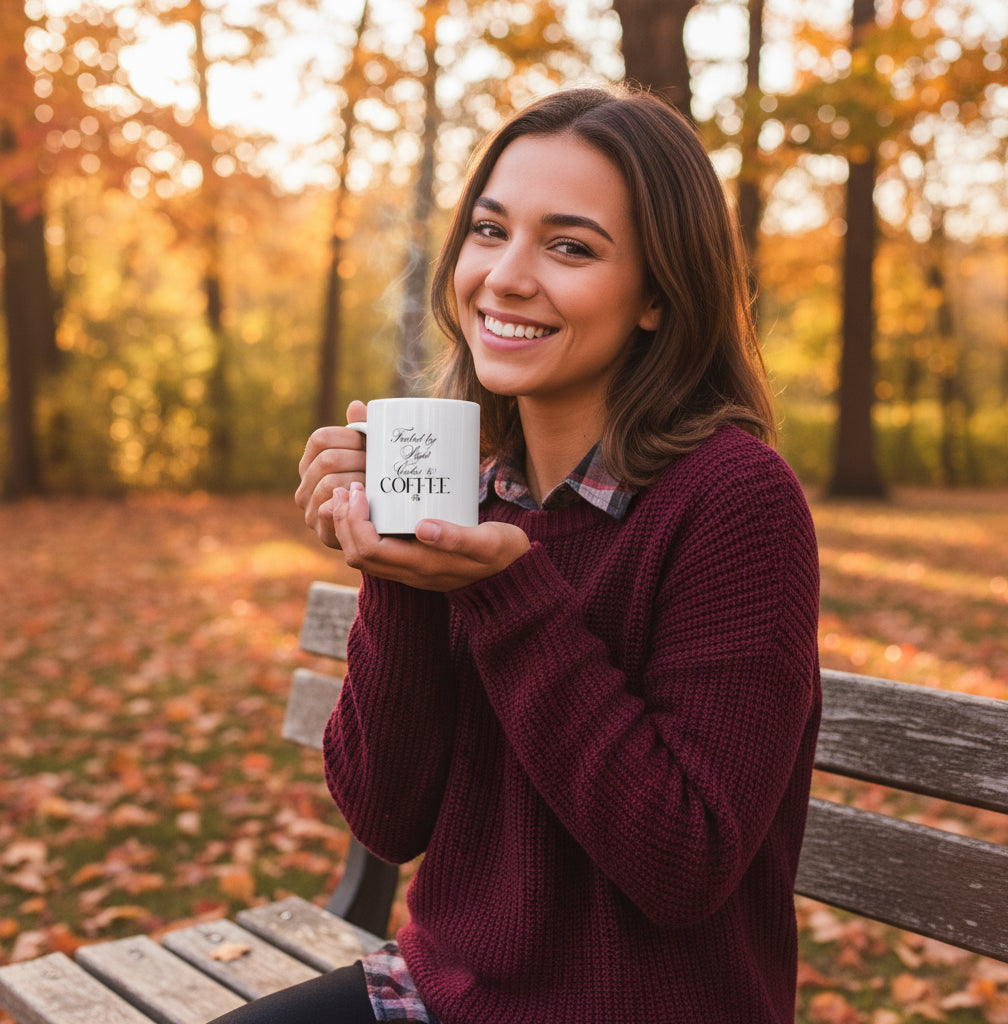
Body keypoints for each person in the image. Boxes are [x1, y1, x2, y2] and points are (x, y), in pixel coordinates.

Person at [218, 83, 821, 1024]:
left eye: (570, 246)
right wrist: (399, 574)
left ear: (660, 293)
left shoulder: (736, 502)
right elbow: (388, 817)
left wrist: (510, 596)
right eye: (490, 231)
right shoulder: (477, 485)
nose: (505, 274)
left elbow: (685, 865)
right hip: (444, 993)